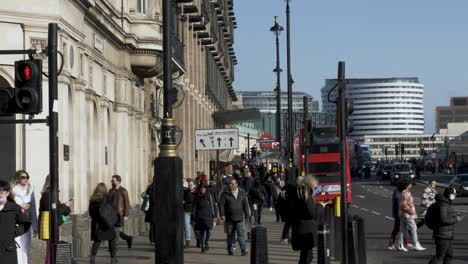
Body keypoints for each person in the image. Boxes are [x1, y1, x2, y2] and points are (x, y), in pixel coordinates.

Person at [290, 175, 325, 264]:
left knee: (306, 256)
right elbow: (313, 214)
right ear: (310, 185)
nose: (316, 188)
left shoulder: (297, 194)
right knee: (307, 256)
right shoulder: (307, 197)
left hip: (300, 228)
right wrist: (321, 206)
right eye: (315, 186)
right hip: (306, 231)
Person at [38, 175, 72, 264]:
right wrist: (65, 205)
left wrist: (67, 207)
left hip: (53, 226)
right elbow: (52, 211)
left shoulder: (52, 194)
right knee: (50, 250)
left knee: (51, 249)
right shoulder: (47, 194)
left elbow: (61, 210)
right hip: (49, 226)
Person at [428, 187, 464, 264]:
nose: (455, 196)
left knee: (449, 255)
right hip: (443, 235)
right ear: (451, 196)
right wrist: (456, 219)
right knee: (439, 256)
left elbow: (445, 216)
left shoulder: (445, 203)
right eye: (454, 194)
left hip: (446, 235)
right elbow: (443, 220)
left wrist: (454, 216)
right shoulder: (443, 205)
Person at [0, 180, 32, 264]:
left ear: (7, 193)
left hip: (7, 249)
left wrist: (13, 233)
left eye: (1, 192)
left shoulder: (14, 208)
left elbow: (26, 224)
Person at [12, 170, 38, 264]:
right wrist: (21, 204)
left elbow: (33, 208)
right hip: (17, 222)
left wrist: (35, 225)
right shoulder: (13, 190)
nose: (25, 179)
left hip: (27, 221)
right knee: (18, 247)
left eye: (27, 177)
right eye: (23, 177)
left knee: (26, 247)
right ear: (18, 179)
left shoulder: (30, 189)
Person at [218, 178, 250, 256]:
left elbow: (245, 205)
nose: (231, 185)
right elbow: (221, 204)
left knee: (241, 235)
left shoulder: (242, 193)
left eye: (232, 184)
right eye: (230, 184)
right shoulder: (225, 194)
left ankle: (243, 249)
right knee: (230, 235)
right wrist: (222, 215)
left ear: (236, 184)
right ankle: (230, 250)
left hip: (239, 218)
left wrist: (247, 216)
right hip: (229, 218)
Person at [89, 183, 119, 264]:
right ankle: (113, 258)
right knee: (112, 239)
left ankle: (92, 257)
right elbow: (112, 210)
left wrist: (96, 219)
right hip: (107, 223)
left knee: (97, 241)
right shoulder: (107, 197)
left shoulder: (93, 199)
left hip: (97, 224)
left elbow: (90, 213)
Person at [396, 179, 425, 251]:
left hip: (404, 214)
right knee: (414, 228)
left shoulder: (405, 192)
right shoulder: (405, 193)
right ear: (407, 185)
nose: (411, 185)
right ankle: (416, 244)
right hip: (407, 214)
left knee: (402, 229)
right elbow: (404, 204)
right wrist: (411, 211)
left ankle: (400, 245)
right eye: (410, 184)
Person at [109, 175, 133, 249]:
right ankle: (128, 238)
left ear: (118, 181)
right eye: (112, 180)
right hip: (111, 214)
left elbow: (127, 203)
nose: (112, 182)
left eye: (113, 180)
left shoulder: (123, 191)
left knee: (115, 230)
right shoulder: (111, 190)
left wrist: (126, 215)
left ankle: (114, 247)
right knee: (113, 230)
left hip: (119, 214)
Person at [192, 183, 217, 253]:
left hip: (209, 216)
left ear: (206, 189)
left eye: (203, 189)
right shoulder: (197, 196)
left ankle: (206, 242)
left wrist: (215, 215)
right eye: (201, 189)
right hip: (200, 217)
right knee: (202, 232)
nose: (202, 190)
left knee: (209, 231)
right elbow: (194, 207)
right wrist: (193, 216)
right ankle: (202, 246)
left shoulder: (209, 195)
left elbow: (214, 206)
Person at [388, 180, 408, 250]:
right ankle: (392, 244)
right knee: (397, 228)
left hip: (400, 213)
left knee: (402, 228)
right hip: (398, 213)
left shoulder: (399, 191)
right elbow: (398, 200)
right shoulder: (397, 192)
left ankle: (404, 243)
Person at [183, 179, 196, 248]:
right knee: (187, 227)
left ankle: (199, 240)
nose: (190, 186)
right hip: (187, 211)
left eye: (191, 185)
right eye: (189, 185)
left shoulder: (197, 192)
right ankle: (187, 242)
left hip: (195, 211)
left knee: (196, 227)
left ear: (194, 185)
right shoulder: (186, 192)